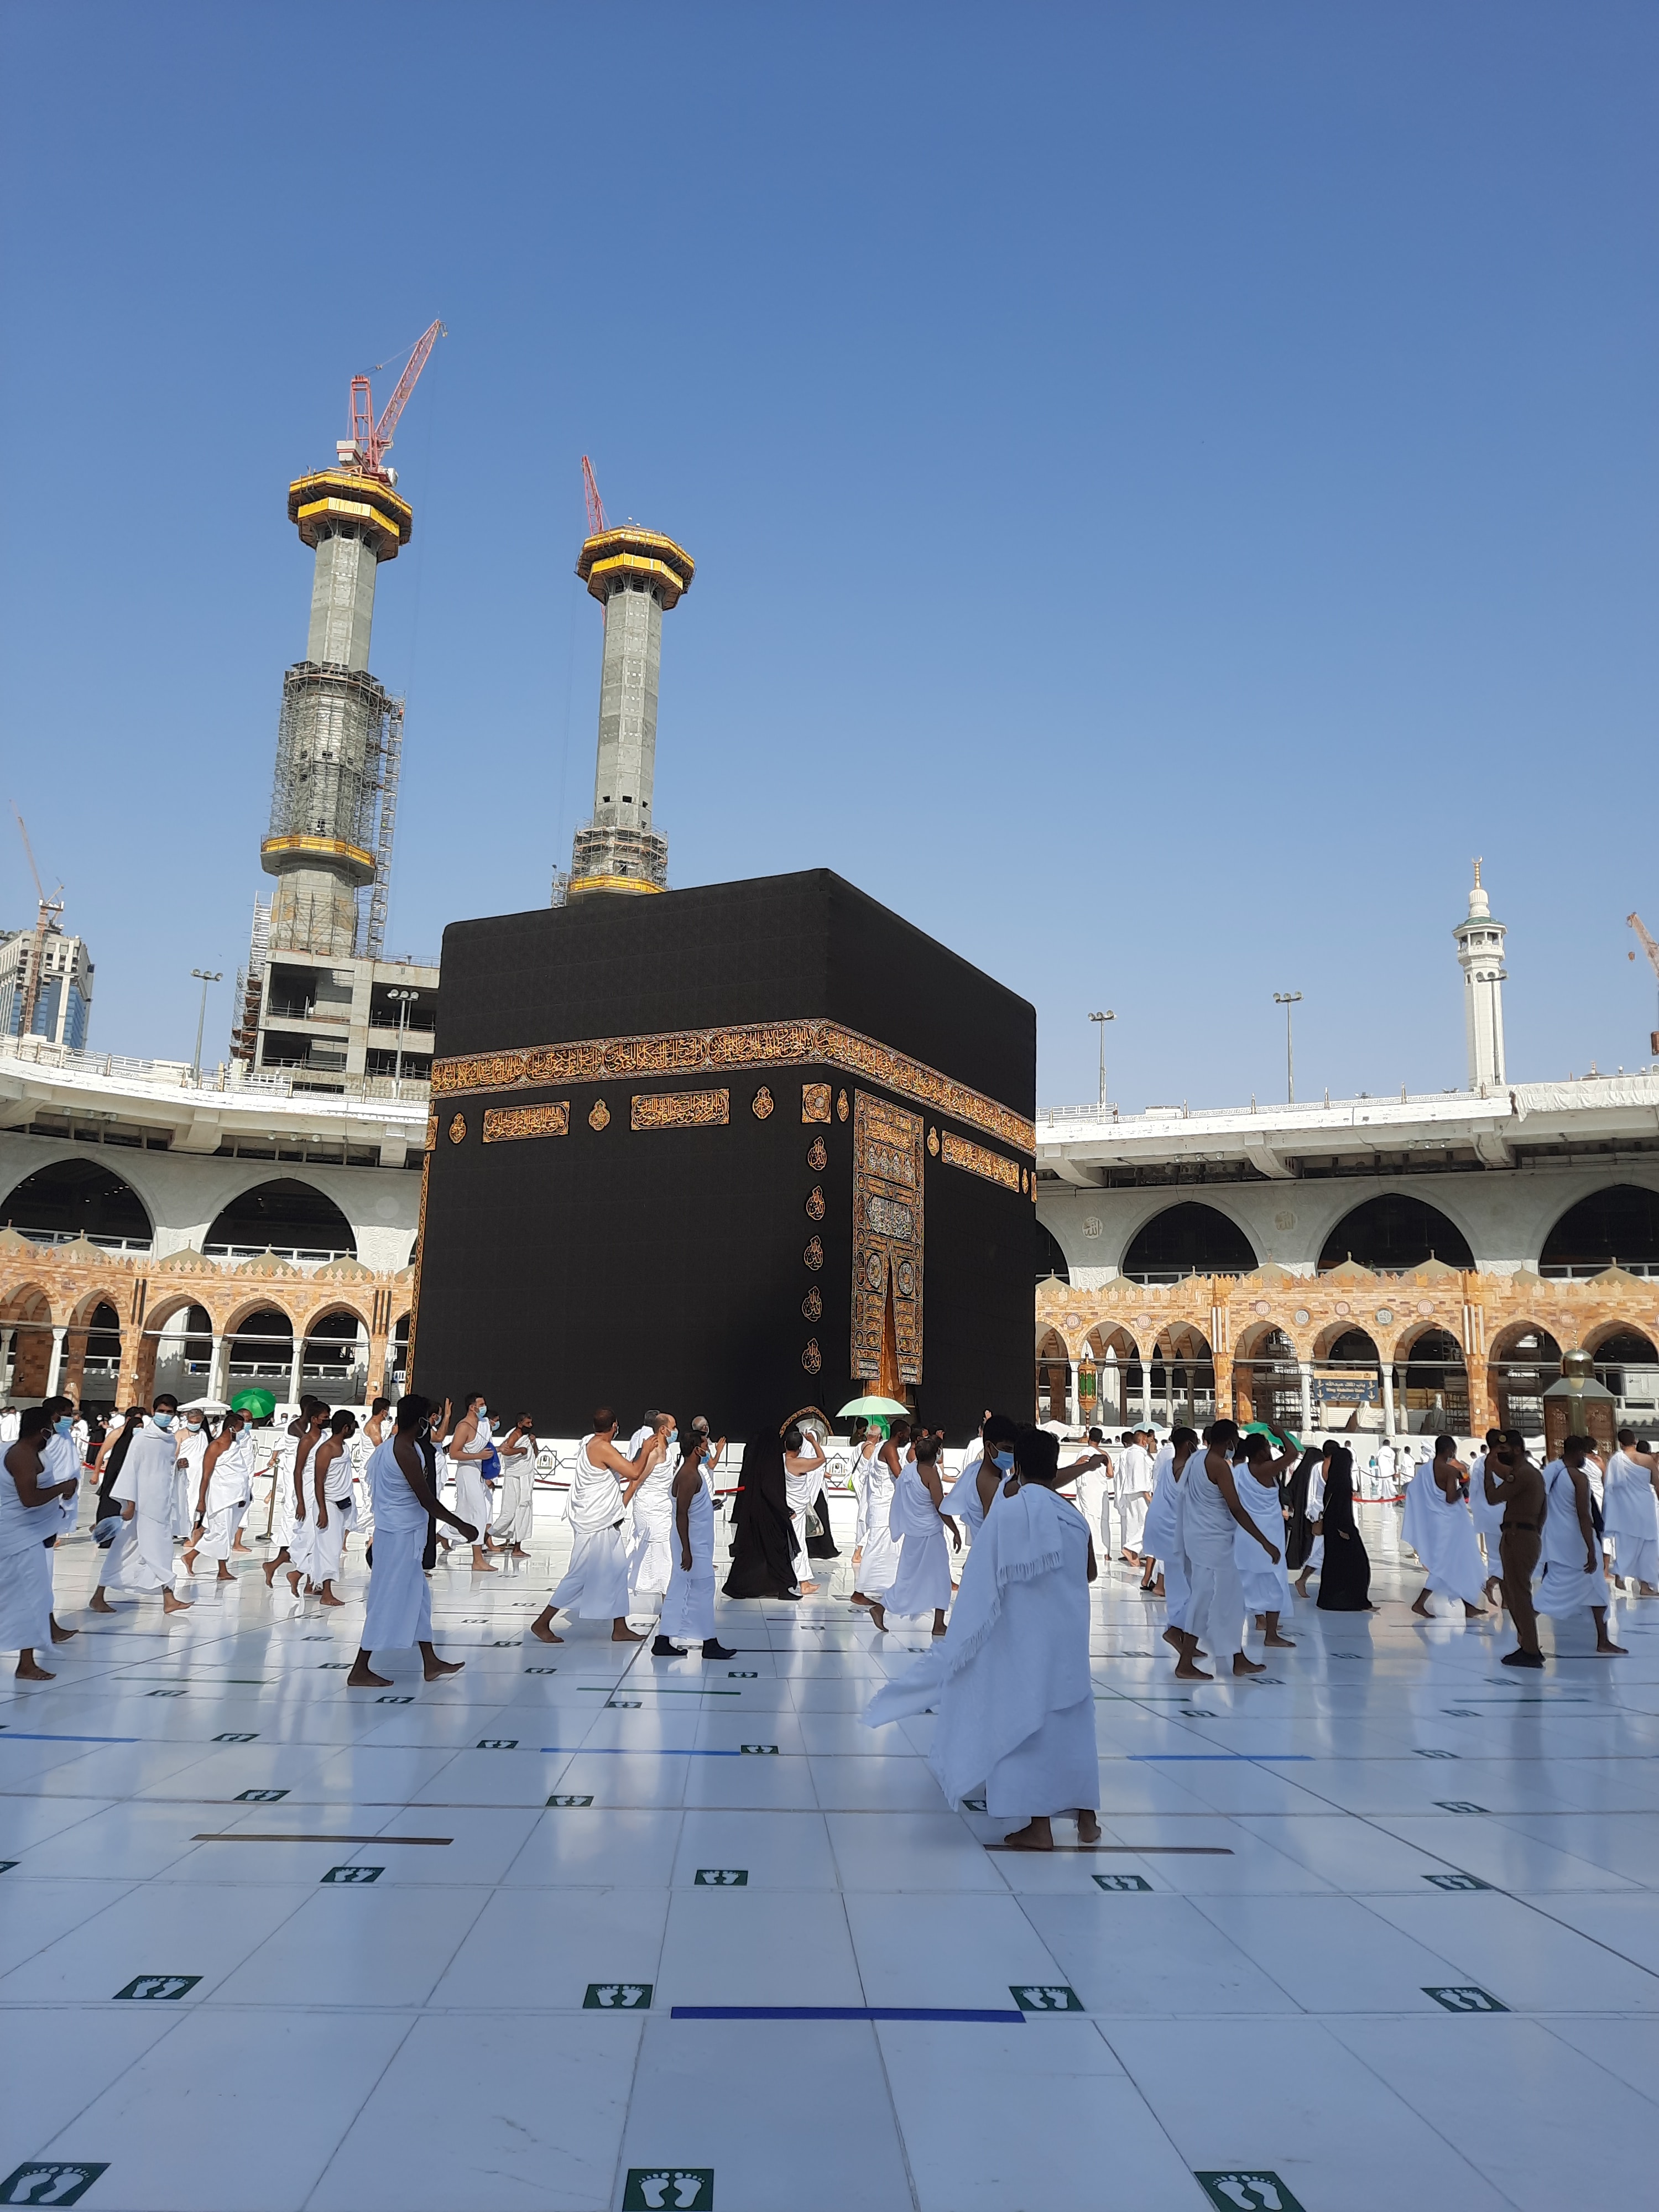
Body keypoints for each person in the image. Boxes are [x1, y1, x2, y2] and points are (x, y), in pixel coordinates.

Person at [864, 1423, 1100, 1850]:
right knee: (1073, 1726)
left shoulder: (1009, 1514)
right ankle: (1087, 1818)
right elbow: (1089, 1574)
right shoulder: (1074, 1518)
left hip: (1025, 1645)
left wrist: (965, 1639)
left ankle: (1040, 1826)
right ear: (1055, 1468)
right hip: (1070, 1645)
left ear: (1020, 1467)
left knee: (1027, 1724)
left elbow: (980, 1582)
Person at [347, 1395, 473, 1685]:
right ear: (419, 1421)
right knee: (386, 1599)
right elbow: (426, 1499)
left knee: (419, 1600)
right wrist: (461, 1525)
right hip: (397, 1537)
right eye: (429, 1419)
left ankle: (430, 1662)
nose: (431, 1424)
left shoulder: (403, 1446)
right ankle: (360, 1668)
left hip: (403, 1534)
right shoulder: (403, 1450)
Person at [532, 1408, 659, 1642]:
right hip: (595, 1527)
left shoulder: (591, 1442)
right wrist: (646, 1451)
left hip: (605, 1524)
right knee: (578, 1576)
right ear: (615, 1426)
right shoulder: (602, 1447)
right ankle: (542, 1622)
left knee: (618, 1572)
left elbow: (622, 1471)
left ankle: (619, 1627)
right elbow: (632, 1471)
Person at [1178, 1420, 1290, 1678]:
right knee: (1211, 1602)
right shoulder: (1220, 1467)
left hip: (1199, 1539)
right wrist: (1265, 1543)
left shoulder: (1196, 1460)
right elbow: (1237, 1509)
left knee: (1225, 1603)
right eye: (1235, 1442)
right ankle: (1187, 1663)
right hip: (1214, 1545)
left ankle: (1238, 1658)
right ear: (1229, 1441)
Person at [90, 1394, 190, 1615]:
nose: (165, 1415)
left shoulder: (171, 1440)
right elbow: (130, 1471)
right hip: (140, 1505)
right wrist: (130, 1503)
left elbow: (163, 1470)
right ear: (154, 1412)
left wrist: (178, 1466)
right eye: (162, 1411)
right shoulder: (142, 1439)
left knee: (155, 1550)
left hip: (160, 1504)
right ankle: (167, 1598)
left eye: (170, 1412)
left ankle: (168, 1599)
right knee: (136, 1550)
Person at [1, 1405, 80, 1679]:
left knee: (36, 1597)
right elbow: (29, 1498)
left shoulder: (34, 1452)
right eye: (50, 1427)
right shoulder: (21, 1455)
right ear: (41, 1430)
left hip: (30, 1537)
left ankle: (28, 1659)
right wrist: (63, 1488)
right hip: (17, 1541)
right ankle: (25, 1664)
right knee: (28, 1600)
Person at [1536, 1434, 1625, 1656]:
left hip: (1558, 1542)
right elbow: (1585, 1517)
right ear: (1577, 1453)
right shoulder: (1578, 1478)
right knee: (1560, 1593)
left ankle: (1602, 1640)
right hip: (1577, 1543)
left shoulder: (1552, 1473)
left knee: (1594, 1594)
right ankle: (1602, 1641)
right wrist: (1591, 1550)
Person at [653, 1421, 735, 1660]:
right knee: (704, 1589)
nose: (708, 1448)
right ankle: (710, 1643)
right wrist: (687, 1551)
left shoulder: (692, 1474)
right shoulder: (689, 1476)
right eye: (705, 1445)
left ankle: (663, 1639)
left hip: (694, 1542)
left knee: (679, 1589)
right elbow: (681, 1514)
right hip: (691, 1545)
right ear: (696, 1449)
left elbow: (691, 1509)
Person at [871, 1431, 957, 1635]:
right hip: (930, 1534)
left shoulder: (908, 1472)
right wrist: (955, 1530)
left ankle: (881, 1607)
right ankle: (938, 1624)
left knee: (908, 1578)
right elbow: (940, 1506)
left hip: (913, 1532)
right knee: (941, 1577)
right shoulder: (930, 1473)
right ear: (936, 1454)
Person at [1484, 1431, 1547, 1666]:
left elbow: (1493, 1497)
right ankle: (1527, 1643)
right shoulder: (1525, 1473)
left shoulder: (1524, 1474)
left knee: (1519, 1593)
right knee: (1511, 1591)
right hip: (1519, 1534)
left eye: (1504, 1451)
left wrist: (1488, 1471)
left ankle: (1530, 1649)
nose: (1500, 1456)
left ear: (1517, 1450)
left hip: (1520, 1536)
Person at [1407, 1436, 1488, 1620]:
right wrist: (1463, 1488)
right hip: (1450, 1525)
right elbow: (1451, 1498)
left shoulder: (1425, 1470)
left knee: (1453, 1565)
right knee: (1445, 1566)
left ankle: (1468, 1606)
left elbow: (1415, 1492)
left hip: (1436, 1522)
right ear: (1449, 1451)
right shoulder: (1450, 1471)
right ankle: (1420, 1603)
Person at [722, 1427, 802, 1600]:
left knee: (753, 1552)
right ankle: (782, 1587)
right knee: (776, 1550)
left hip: (754, 1513)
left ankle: (739, 1586)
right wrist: (784, 1509)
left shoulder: (754, 1462)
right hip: (770, 1515)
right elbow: (770, 1488)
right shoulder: (772, 1460)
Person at [1234, 1432, 1297, 1648]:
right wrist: (1281, 1434)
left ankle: (1256, 1622)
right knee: (1274, 1583)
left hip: (1245, 1536)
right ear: (1261, 1452)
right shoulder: (1264, 1470)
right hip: (1268, 1538)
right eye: (1268, 1449)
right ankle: (1271, 1634)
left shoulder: (1239, 1471)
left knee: (1245, 1582)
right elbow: (1293, 1454)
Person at [1141, 1425, 1198, 1660]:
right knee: (1198, 1587)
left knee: (1179, 1585)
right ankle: (1176, 1630)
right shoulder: (1189, 1469)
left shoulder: (1167, 1465)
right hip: (1174, 1531)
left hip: (1162, 1526)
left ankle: (1184, 1637)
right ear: (1189, 1445)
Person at [184, 1410, 248, 1581]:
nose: (243, 1432)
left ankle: (194, 1558)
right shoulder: (215, 1446)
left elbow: (239, 1472)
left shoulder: (235, 1447)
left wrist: (244, 1495)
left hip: (235, 1498)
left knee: (225, 1533)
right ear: (232, 1429)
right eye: (241, 1428)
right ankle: (219, 1568)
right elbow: (206, 1475)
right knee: (220, 1533)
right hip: (220, 1498)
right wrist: (201, 1501)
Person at [626, 1410, 680, 1602]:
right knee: (663, 1552)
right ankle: (668, 1601)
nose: (677, 1431)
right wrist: (621, 1507)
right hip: (650, 1509)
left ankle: (668, 1599)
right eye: (674, 1428)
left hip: (664, 1508)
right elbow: (636, 1480)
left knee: (666, 1552)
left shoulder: (668, 1450)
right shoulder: (654, 1451)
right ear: (664, 1430)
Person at [309, 1410, 361, 1605]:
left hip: (343, 1503)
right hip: (328, 1504)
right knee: (329, 1549)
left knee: (332, 1547)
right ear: (346, 1428)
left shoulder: (344, 1447)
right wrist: (322, 1510)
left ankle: (307, 1580)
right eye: (353, 1424)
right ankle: (327, 1593)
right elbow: (318, 1481)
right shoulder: (327, 1449)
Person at [1314, 1444, 1374, 1611]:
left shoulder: (1336, 1480)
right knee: (1356, 1564)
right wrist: (1343, 1529)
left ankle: (1342, 1599)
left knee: (1339, 1565)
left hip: (1338, 1530)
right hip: (1341, 1530)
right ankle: (1348, 1600)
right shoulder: (1340, 1483)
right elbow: (1337, 1508)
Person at [1603, 1427, 1659, 1595]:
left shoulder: (1616, 1460)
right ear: (1635, 1440)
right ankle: (1645, 1586)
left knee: (1626, 1544)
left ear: (1621, 1444)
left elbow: (1610, 1488)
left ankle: (1620, 1574)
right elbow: (1657, 1483)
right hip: (1645, 1506)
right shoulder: (1647, 1460)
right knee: (1648, 1546)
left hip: (1625, 1510)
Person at [445, 1392, 497, 1573]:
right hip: (467, 1471)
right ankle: (477, 1560)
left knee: (465, 1515)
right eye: (481, 1404)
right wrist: (478, 1456)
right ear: (472, 1407)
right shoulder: (463, 1427)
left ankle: (441, 1536)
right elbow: (454, 1453)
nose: (484, 1407)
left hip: (478, 1471)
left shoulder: (483, 1424)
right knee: (479, 1513)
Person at [782, 1421, 829, 1596]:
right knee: (799, 1543)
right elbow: (822, 1460)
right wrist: (814, 1441)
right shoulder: (799, 1463)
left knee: (788, 1543)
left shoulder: (781, 1460)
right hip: (797, 1510)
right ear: (801, 1448)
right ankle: (804, 1582)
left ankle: (796, 1579)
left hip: (786, 1506)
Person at [489, 1412, 540, 1558]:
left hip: (526, 1477)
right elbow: (505, 1451)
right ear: (520, 1424)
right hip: (515, 1478)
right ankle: (487, 1537)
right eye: (528, 1423)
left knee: (523, 1512)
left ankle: (517, 1547)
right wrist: (521, 1450)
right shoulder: (515, 1435)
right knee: (510, 1513)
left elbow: (535, 1455)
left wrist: (534, 1443)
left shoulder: (528, 1438)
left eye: (531, 1423)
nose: (530, 1426)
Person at [1468, 1427, 1507, 1603]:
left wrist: (1478, 1512)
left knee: (1495, 1556)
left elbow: (1474, 1490)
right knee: (1508, 1557)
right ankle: (1495, 1587)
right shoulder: (1502, 1463)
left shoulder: (1478, 1463)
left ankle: (1501, 1593)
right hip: (1503, 1514)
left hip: (1487, 1514)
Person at [1066, 1427, 1113, 1563]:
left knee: (1090, 1518)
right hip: (1101, 1491)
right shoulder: (1104, 1454)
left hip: (1088, 1490)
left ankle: (1092, 1549)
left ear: (1089, 1438)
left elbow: (1077, 1468)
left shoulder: (1084, 1453)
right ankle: (1105, 1552)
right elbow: (1110, 1474)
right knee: (1103, 1520)